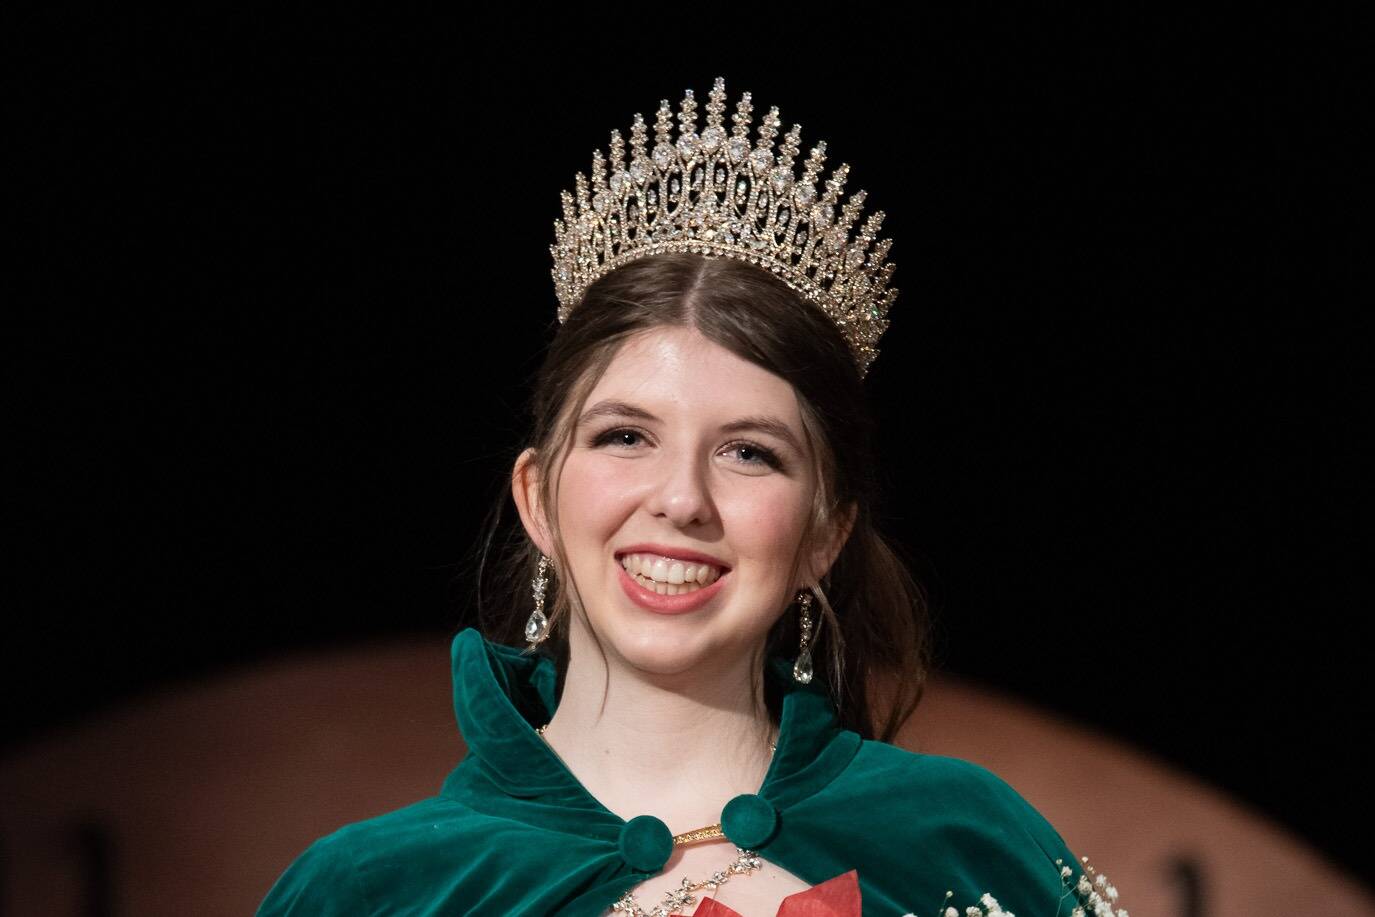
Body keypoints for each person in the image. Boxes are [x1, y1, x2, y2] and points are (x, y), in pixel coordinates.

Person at [256, 77, 1128, 917]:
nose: (681, 499)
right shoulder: (368, 892)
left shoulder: (964, 844)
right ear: (536, 496)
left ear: (825, 533)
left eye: (748, 452)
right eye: (624, 436)